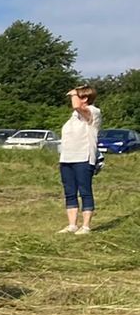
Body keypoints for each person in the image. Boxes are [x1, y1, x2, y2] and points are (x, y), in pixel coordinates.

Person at [58, 85, 101, 234]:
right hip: (67, 158)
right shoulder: (73, 117)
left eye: (80, 96)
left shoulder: (94, 112)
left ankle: (86, 226)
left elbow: (76, 105)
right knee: (69, 191)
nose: (76, 99)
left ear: (86, 98)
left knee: (85, 191)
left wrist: (73, 93)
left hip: (83, 157)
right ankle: (72, 225)